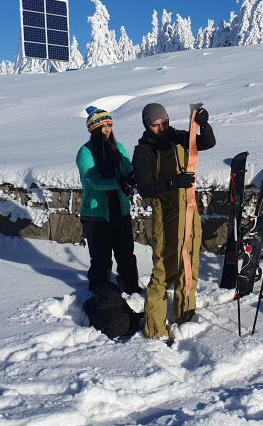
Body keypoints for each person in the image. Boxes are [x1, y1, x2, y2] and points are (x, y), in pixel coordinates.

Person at [132, 102, 216, 339]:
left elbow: (207, 142)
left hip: (189, 210)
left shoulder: (177, 137)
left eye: (164, 122)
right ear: (147, 125)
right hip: (165, 215)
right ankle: (154, 328)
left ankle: (185, 316)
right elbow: (145, 188)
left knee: (190, 264)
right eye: (155, 124)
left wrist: (204, 123)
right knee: (163, 270)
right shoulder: (143, 151)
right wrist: (172, 183)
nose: (161, 128)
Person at [76, 106, 141, 294]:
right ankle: (100, 294)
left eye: (109, 125)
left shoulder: (118, 148)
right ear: (93, 129)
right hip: (96, 216)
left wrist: (134, 175)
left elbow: (128, 168)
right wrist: (120, 181)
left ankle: (131, 289)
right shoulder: (85, 153)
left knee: (126, 255)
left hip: (120, 211)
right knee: (101, 259)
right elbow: (94, 182)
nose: (107, 130)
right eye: (102, 126)